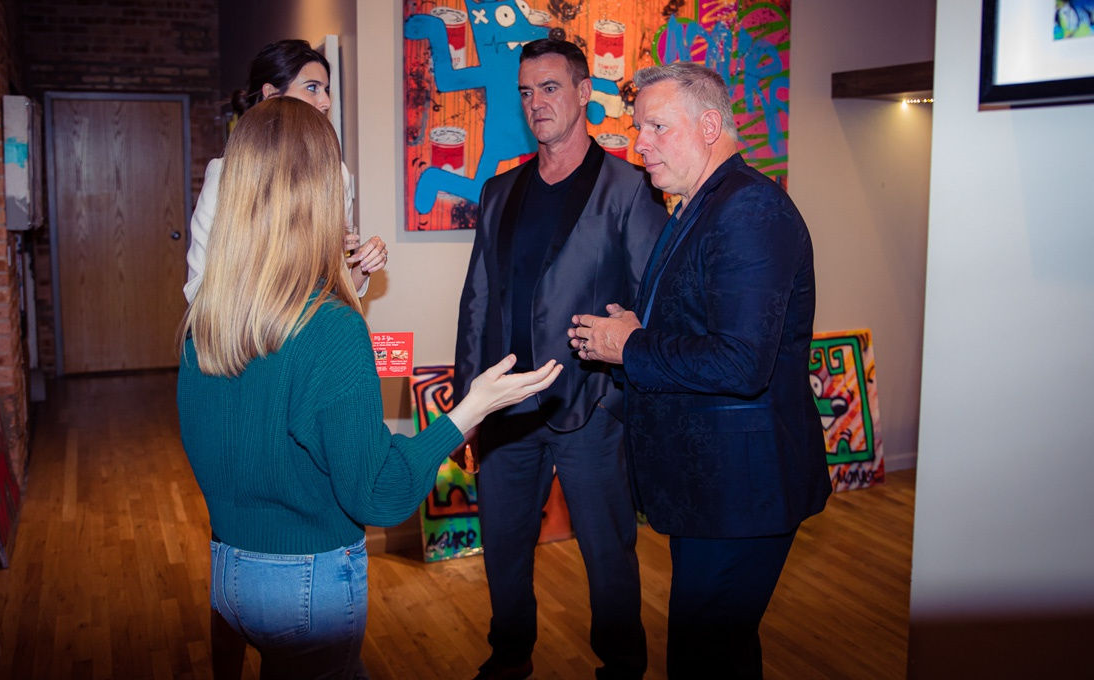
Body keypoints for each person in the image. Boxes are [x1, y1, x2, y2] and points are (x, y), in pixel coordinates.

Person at [177, 96, 562, 680]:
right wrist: (471, 410)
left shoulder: (207, 317)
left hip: (230, 577)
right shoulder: (329, 328)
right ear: (320, 196)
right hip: (305, 587)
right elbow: (378, 493)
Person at [567, 62, 832, 679]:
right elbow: (705, 330)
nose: (640, 143)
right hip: (711, 491)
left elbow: (740, 362)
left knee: (703, 659)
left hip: (741, 493)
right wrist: (639, 330)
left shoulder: (750, 209)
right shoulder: (699, 204)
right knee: (719, 655)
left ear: (711, 126)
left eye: (656, 126)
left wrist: (631, 346)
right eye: (638, 128)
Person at [454, 38, 668, 680]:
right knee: (504, 549)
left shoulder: (629, 188)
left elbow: (653, 303)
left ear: (582, 93)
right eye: (526, 92)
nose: (536, 102)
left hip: (591, 410)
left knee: (608, 555)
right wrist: (468, 407)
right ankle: (509, 656)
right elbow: (477, 302)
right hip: (506, 409)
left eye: (550, 88)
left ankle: (622, 666)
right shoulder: (500, 191)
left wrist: (619, 396)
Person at [184, 39, 387, 303]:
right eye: (312, 88)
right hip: (248, 326)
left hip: (318, 325)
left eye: (326, 90)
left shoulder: (336, 174)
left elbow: (339, 291)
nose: (325, 101)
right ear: (271, 94)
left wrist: (361, 265)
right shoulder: (227, 174)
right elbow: (198, 287)